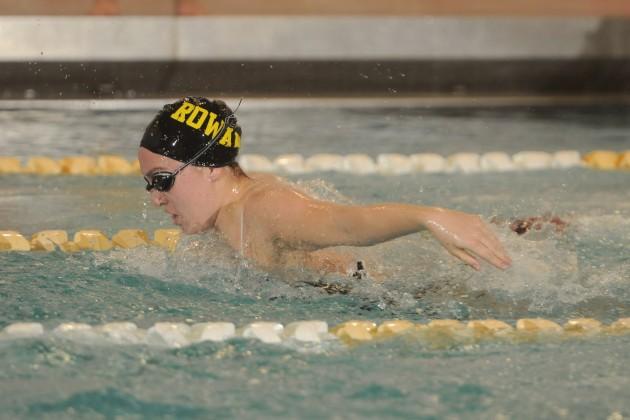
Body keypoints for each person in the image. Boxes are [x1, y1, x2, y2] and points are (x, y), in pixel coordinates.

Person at [138, 97, 513, 279]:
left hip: (400, 299)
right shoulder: (231, 209)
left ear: (210, 168)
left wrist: (430, 217)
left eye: (162, 180)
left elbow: (346, 225)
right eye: (149, 184)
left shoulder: (260, 208)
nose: (156, 198)